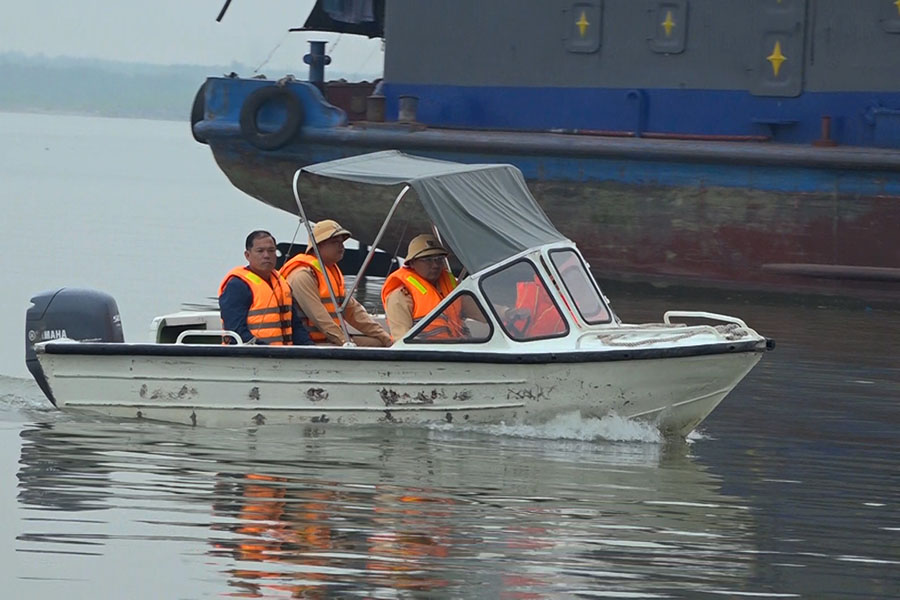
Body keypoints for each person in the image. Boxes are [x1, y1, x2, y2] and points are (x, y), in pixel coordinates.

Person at [280, 219, 392, 347]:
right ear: (319, 245)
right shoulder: (302, 275)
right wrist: (344, 342)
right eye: (335, 242)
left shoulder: (331, 272)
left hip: (330, 340)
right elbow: (320, 318)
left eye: (341, 242)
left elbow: (353, 311)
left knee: (379, 343)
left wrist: (385, 337)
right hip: (310, 344)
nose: (341, 246)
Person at [218, 230, 313, 345]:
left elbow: (296, 326)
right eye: (260, 251)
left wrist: (311, 348)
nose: (266, 255)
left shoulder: (281, 283)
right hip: (251, 355)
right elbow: (236, 332)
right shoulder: (237, 286)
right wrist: (265, 350)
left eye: (271, 250)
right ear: (247, 255)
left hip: (284, 355)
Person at [381, 234, 477, 341]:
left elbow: (478, 309)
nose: (435, 265)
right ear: (412, 263)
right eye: (428, 260)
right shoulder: (400, 296)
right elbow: (401, 340)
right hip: (429, 355)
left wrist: (499, 313)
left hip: (462, 349)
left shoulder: (452, 288)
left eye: (439, 259)